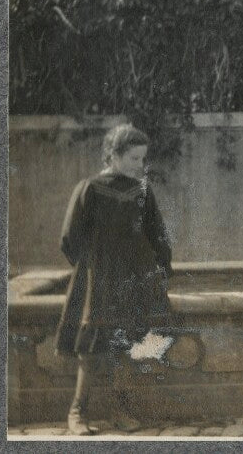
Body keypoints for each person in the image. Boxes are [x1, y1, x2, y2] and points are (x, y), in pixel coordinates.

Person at [54, 124, 173, 435]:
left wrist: (161, 269)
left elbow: (157, 233)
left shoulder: (142, 192)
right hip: (99, 279)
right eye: (134, 158)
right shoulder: (90, 188)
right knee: (91, 347)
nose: (140, 165)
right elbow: (69, 237)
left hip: (133, 279)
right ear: (114, 155)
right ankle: (77, 413)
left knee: (126, 344)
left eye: (142, 159)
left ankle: (120, 411)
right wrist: (90, 269)